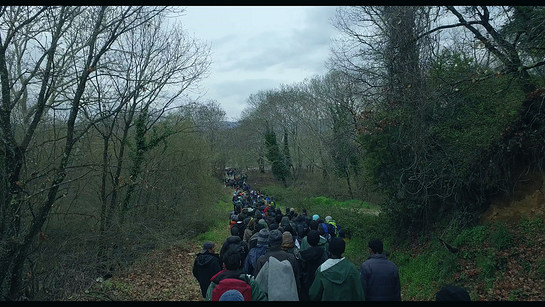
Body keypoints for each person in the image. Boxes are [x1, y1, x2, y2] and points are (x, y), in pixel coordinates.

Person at [309, 237, 364, 301]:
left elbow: (313, 294)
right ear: (343, 250)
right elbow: (359, 294)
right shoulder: (352, 269)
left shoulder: (322, 270)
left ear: (329, 249)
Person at [254, 229, 300, 301]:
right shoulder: (291, 258)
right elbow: (297, 280)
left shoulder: (262, 260)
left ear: (268, 242)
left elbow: (258, 284)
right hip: (289, 296)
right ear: (282, 241)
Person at [297, 230, 328, 301]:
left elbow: (300, 272)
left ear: (307, 241)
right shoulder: (323, 253)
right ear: (318, 240)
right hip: (320, 284)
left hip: (306, 284)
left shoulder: (302, 255)